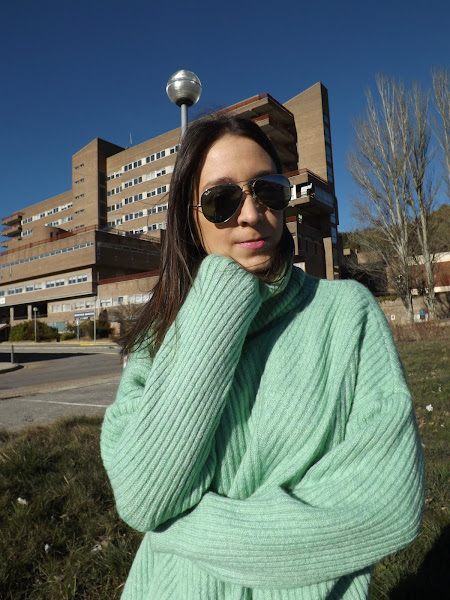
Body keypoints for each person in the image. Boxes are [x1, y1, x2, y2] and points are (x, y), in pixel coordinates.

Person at [101, 115, 424, 599]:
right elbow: (143, 496)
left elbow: (386, 501)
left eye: (267, 190)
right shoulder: (160, 334)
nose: (251, 214)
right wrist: (220, 301)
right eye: (222, 200)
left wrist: (177, 529)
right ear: (191, 219)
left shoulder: (346, 314)